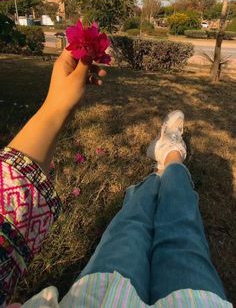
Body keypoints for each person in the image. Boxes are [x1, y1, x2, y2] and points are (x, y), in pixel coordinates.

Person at [0, 49, 232, 307]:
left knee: (130, 224)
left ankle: (162, 166)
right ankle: (171, 155)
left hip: (100, 297)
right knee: (182, 227)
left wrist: (57, 105)